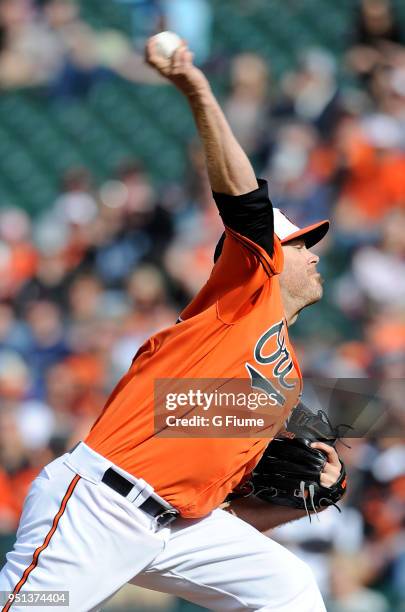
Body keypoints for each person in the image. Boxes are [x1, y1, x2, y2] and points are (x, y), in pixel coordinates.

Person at [0, 38, 343, 612]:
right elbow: (245, 205)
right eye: (301, 244)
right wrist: (199, 90)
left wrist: (308, 497)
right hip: (99, 507)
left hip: (176, 527)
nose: (313, 253)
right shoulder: (242, 297)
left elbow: (226, 506)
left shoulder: (280, 374)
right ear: (265, 258)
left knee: (290, 589)